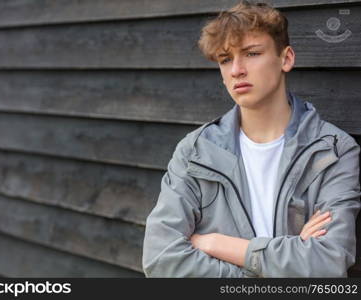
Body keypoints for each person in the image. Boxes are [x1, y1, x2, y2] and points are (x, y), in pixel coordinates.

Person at [142, 0, 361, 277]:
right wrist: (283, 264)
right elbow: (160, 259)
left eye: (252, 53)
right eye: (225, 59)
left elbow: (326, 264)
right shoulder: (195, 152)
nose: (236, 70)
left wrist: (215, 243)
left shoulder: (333, 150)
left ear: (286, 58)